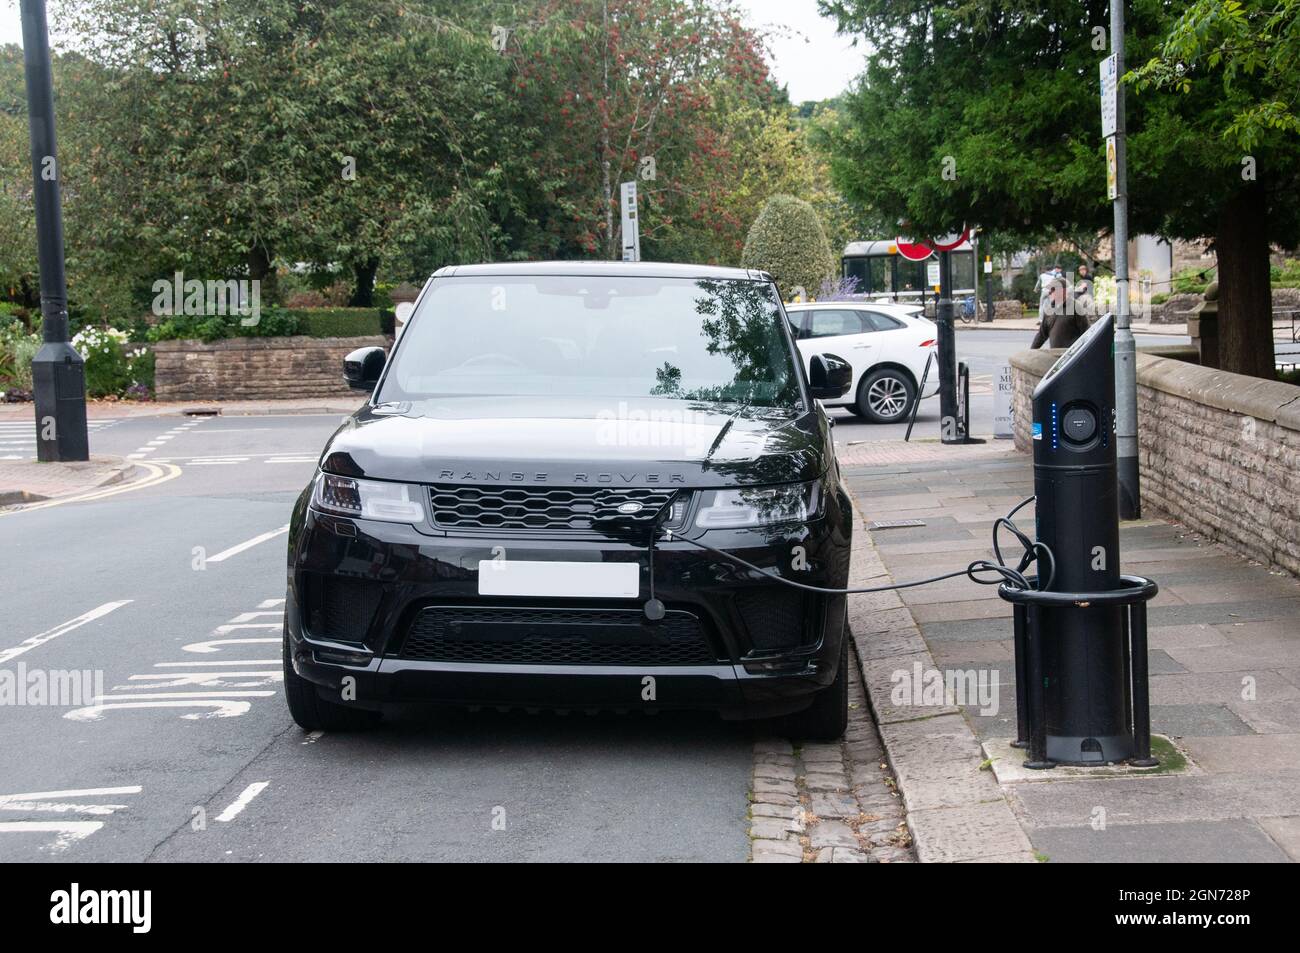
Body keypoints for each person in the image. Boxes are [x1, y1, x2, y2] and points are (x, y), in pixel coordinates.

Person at [1030, 277, 1090, 349]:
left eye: (1052, 289)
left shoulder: (1076, 307)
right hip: (1056, 357)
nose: (1049, 292)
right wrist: (1031, 351)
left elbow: (1087, 333)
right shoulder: (1049, 310)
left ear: (1063, 290)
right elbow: (1041, 335)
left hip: (1072, 356)